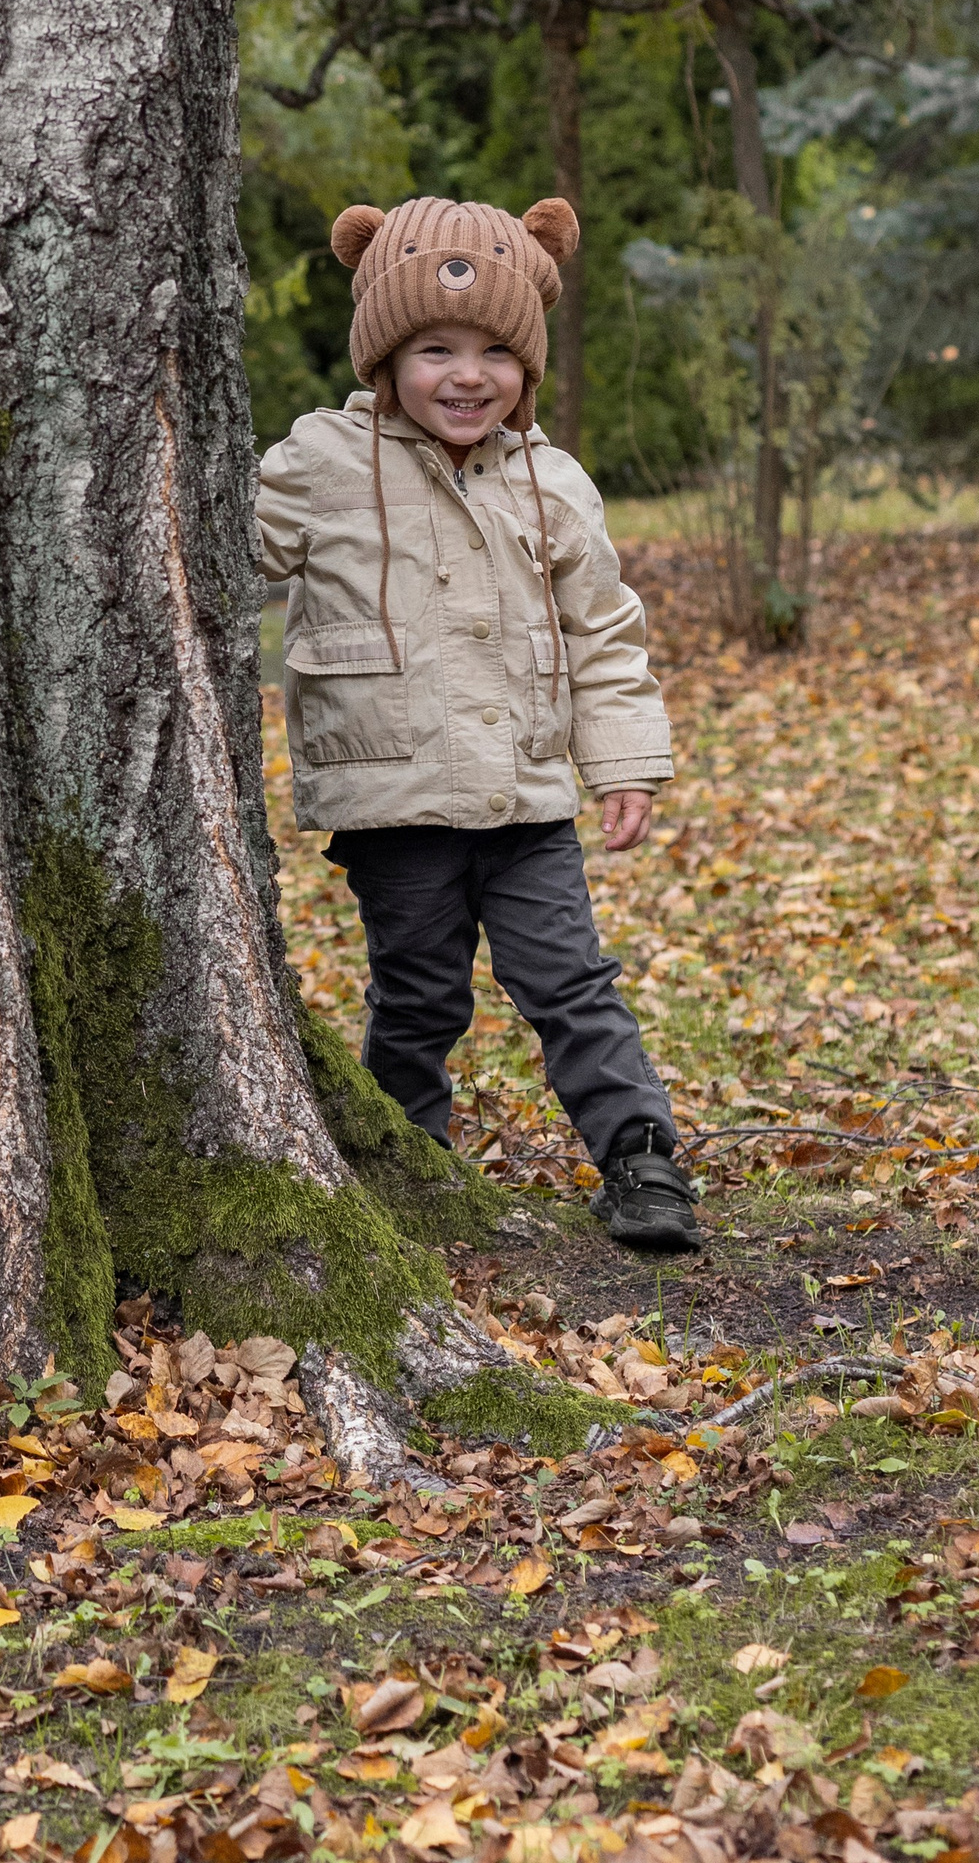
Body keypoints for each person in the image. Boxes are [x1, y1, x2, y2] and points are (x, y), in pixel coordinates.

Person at [251, 194, 700, 1252]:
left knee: (572, 984)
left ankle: (641, 1156)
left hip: (527, 800)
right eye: (436, 347)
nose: (468, 374)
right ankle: (410, 1159)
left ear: (528, 367)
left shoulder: (550, 481)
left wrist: (624, 760)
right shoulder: (321, 462)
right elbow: (218, 550)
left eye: (497, 351)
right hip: (391, 797)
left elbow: (604, 633)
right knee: (416, 994)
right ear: (382, 355)